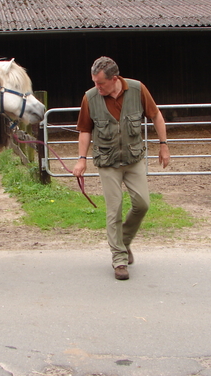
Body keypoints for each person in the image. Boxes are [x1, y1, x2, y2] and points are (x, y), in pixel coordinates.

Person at [73, 56, 170, 280]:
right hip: (108, 162)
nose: (96, 87)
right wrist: (81, 159)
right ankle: (119, 259)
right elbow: (85, 130)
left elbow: (156, 115)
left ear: (114, 79)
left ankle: (123, 241)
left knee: (142, 204)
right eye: (94, 82)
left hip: (134, 159)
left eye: (100, 83)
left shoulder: (137, 90)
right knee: (113, 209)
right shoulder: (90, 98)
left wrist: (163, 145)